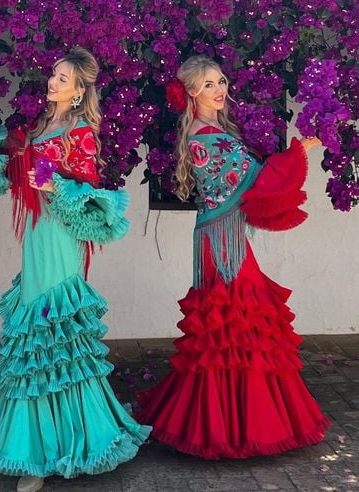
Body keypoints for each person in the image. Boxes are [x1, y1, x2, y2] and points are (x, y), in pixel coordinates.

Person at [0, 47, 150, 492]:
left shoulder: (80, 132)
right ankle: (35, 449)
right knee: (34, 334)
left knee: (53, 330)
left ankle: (54, 452)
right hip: (37, 236)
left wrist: (55, 183)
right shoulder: (38, 127)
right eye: (54, 75)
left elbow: (88, 192)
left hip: (62, 236)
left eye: (64, 79)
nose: (54, 82)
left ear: (81, 90)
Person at [135, 55, 329, 459]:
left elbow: (249, 179)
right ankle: (233, 426)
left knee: (228, 325)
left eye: (221, 81)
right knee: (236, 321)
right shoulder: (209, 138)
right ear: (191, 92)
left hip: (220, 236)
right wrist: (297, 153)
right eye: (208, 85)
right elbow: (254, 180)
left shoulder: (210, 133)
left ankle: (229, 419)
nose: (219, 89)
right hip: (223, 242)